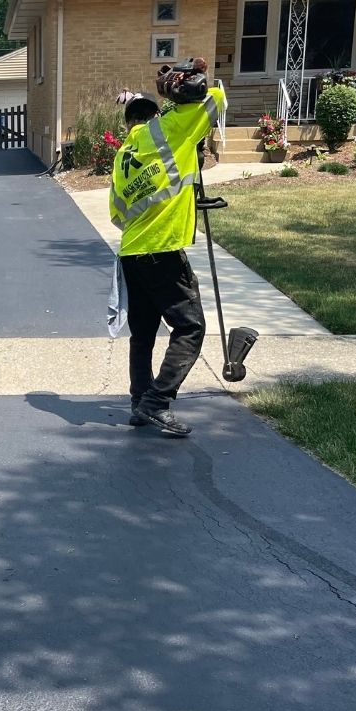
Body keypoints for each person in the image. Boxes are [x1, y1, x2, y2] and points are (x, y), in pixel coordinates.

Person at [107, 59, 226, 437]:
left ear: (128, 123)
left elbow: (117, 213)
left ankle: (139, 402)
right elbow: (216, 99)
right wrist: (183, 81)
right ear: (157, 112)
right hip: (163, 251)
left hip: (131, 253)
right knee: (191, 328)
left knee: (142, 334)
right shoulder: (171, 130)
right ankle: (158, 403)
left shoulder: (123, 156)